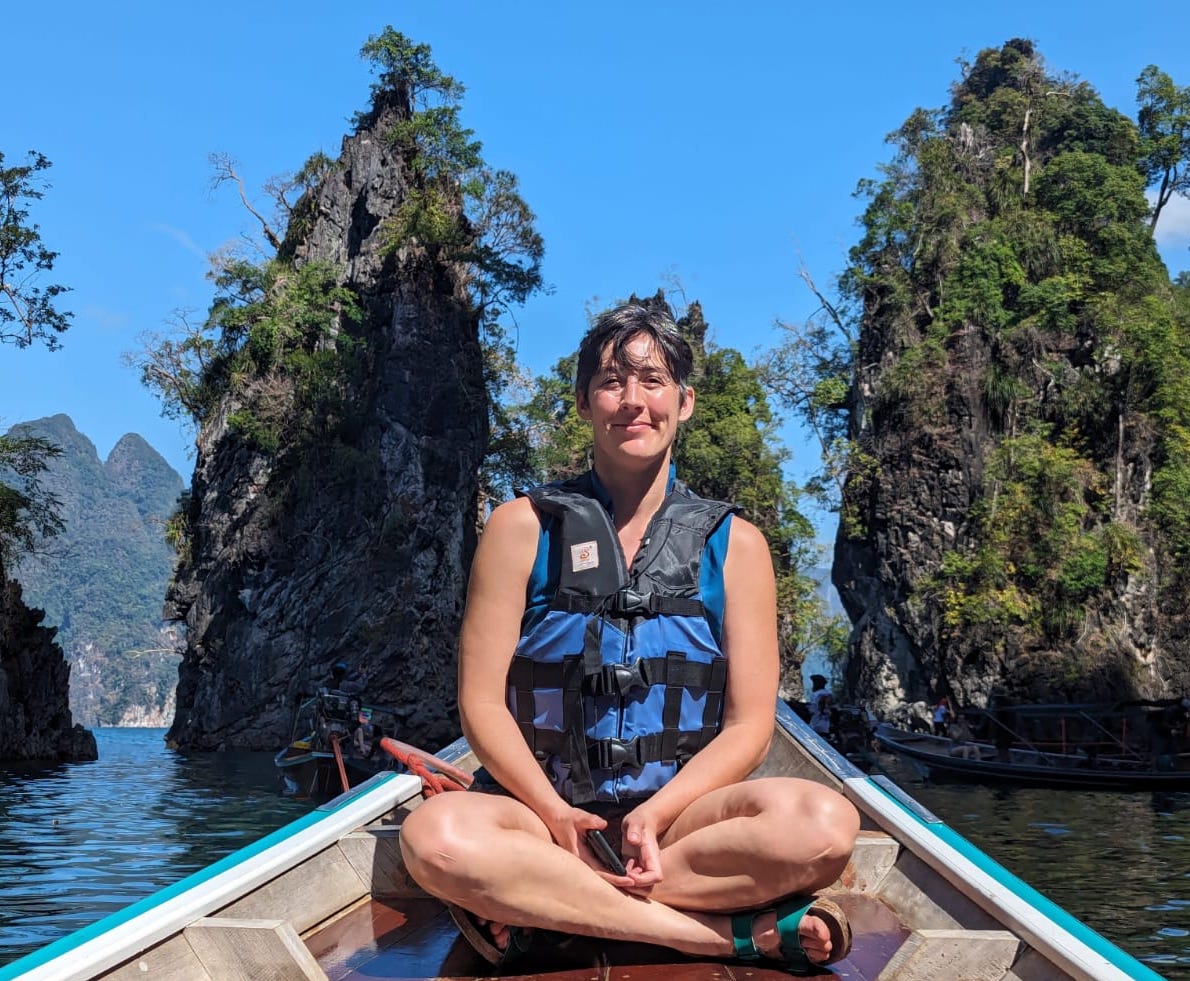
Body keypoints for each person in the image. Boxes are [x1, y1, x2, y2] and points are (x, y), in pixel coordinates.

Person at [399, 302, 860, 973]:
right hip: (545, 817)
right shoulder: (520, 529)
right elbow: (482, 706)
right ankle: (725, 936)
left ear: (685, 400)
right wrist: (557, 815)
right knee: (436, 840)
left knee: (825, 824)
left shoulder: (736, 547)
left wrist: (653, 815)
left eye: (652, 381)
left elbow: (749, 726)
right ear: (586, 402)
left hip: (679, 824)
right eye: (613, 383)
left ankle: (549, 908)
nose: (633, 401)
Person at [808, 674, 833, 738]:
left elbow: (820, 708)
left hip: (817, 725)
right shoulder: (828, 693)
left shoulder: (819, 694)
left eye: (814, 683)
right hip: (824, 725)